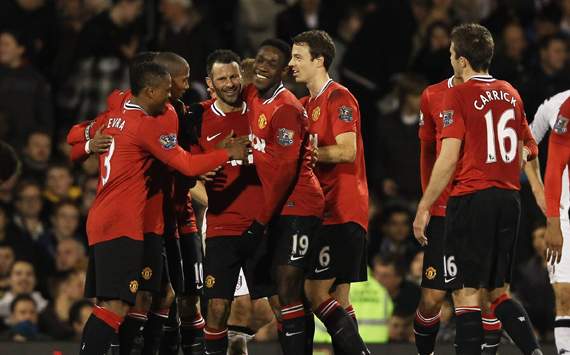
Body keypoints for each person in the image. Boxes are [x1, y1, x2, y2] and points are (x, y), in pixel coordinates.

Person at [77, 61, 247, 355]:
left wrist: (88, 145)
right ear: (150, 90)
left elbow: (74, 137)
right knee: (114, 307)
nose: (171, 97)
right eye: (167, 91)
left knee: (123, 303)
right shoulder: (144, 125)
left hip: (111, 218)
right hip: (122, 222)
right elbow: (186, 164)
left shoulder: (118, 112)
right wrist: (226, 152)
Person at [413, 23, 543, 355]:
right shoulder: (510, 92)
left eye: (452, 53)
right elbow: (528, 147)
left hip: (470, 198)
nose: (450, 58)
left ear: (462, 61)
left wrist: (424, 205)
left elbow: (447, 156)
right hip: (508, 198)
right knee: (498, 293)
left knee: (466, 294)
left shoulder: (458, 94)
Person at [237, 38, 326, 355]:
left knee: (288, 285)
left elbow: (284, 174)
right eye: (260, 60)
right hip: (273, 207)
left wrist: (259, 221)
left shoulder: (287, 108)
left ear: (284, 71)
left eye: (271, 64)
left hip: (298, 204)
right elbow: (241, 74)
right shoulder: (253, 94)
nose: (262, 67)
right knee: (277, 294)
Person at [289, 29, 370, 354]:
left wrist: (304, 154)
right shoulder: (305, 103)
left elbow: (346, 151)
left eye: (298, 57)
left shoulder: (339, 97)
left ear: (319, 60)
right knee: (338, 299)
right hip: (321, 210)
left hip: (341, 209)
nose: (292, 64)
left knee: (314, 291)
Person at [540, 93, 570, 354]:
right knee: (564, 294)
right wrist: (553, 220)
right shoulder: (566, 108)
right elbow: (556, 162)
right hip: (567, 215)